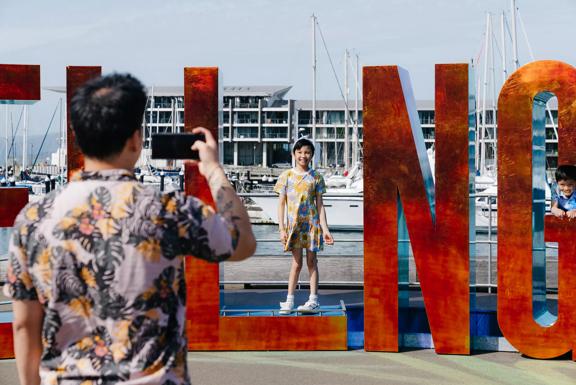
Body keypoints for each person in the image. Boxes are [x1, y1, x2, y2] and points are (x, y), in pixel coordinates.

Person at [4, 73, 256, 385]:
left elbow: (25, 325)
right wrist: (213, 170)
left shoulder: (32, 219)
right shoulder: (168, 211)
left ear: (79, 138)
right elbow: (242, 242)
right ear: (135, 139)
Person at [274, 138, 334, 314]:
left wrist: (325, 229)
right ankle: (289, 300)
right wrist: (282, 229)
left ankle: (313, 300)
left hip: (312, 226)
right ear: (294, 154)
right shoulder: (286, 176)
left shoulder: (316, 177)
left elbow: (320, 205)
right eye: (299, 152)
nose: (303, 155)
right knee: (296, 263)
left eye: (307, 152)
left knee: (312, 262)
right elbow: (281, 204)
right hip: (294, 226)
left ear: (312, 155)